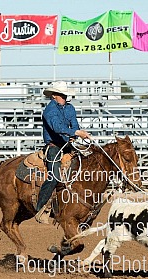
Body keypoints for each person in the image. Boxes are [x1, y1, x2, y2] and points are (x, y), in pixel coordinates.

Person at [34, 81, 92, 222]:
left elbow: (74, 123)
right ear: (54, 95)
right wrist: (76, 132)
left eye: (65, 95)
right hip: (54, 146)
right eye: (62, 95)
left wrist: (75, 134)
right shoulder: (49, 111)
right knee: (54, 176)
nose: (65, 97)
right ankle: (40, 207)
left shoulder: (69, 108)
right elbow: (57, 127)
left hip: (67, 144)